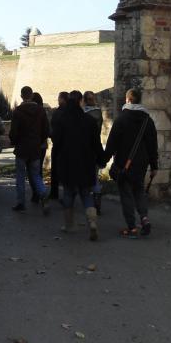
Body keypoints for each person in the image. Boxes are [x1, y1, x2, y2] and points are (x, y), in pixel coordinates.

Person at [103, 88, 158, 238]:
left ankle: (132, 228)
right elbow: (153, 145)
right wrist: (154, 166)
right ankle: (144, 218)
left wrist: (103, 160)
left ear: (127, 100)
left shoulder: (122, 119)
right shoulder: (148, 120)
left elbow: (112, 143)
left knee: (126, 194)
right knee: (139, 190)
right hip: (141, 164)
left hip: (123, 163)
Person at [52, 90, 103, 240]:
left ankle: (69, 225)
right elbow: (96, 144)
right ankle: (92, 222)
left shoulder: (62, 120)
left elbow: (57, 142)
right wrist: (102, 158)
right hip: (86, 162)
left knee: (68, 193)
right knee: (86, 194)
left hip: (68, 162)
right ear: (81, 101)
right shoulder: (89, 121)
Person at [9, 85, 50, 213]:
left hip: (21, 148)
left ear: (22, 96)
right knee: (36, 175)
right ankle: (43, 194)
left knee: (20, 177)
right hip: (35, 148)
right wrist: (40, 140)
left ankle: (21, 203)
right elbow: (46, 130)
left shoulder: (18, 111)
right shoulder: (41, 111)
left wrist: (14, 141)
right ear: (32, 95)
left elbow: (14, 132)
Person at [83, 90, 104, 215]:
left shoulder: (83, 114)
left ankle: (89, 203)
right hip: (96, 146)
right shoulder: (99, 113)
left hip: (86, 148)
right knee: (94, 176)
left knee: (85, 175)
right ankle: (97, 201)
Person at [29, 91, 50, 203]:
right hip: (42, 145)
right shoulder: (43, 112)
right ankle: (39, 192)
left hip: (34, 145)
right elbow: (47, 129)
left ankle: (37, 193)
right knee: (38, 170)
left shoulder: (34, 112)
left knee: (32, 170)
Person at [48, 91, 69, 199]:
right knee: (67, 170)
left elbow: (53, 127)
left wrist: (52, 137)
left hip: (58, 145)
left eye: (59, 98)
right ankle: (67, 194)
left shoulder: (58, 112)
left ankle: (54, 192)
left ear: (62, 99)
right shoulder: (72, 112)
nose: (57, 100)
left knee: (55, 170)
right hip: (68, 145)